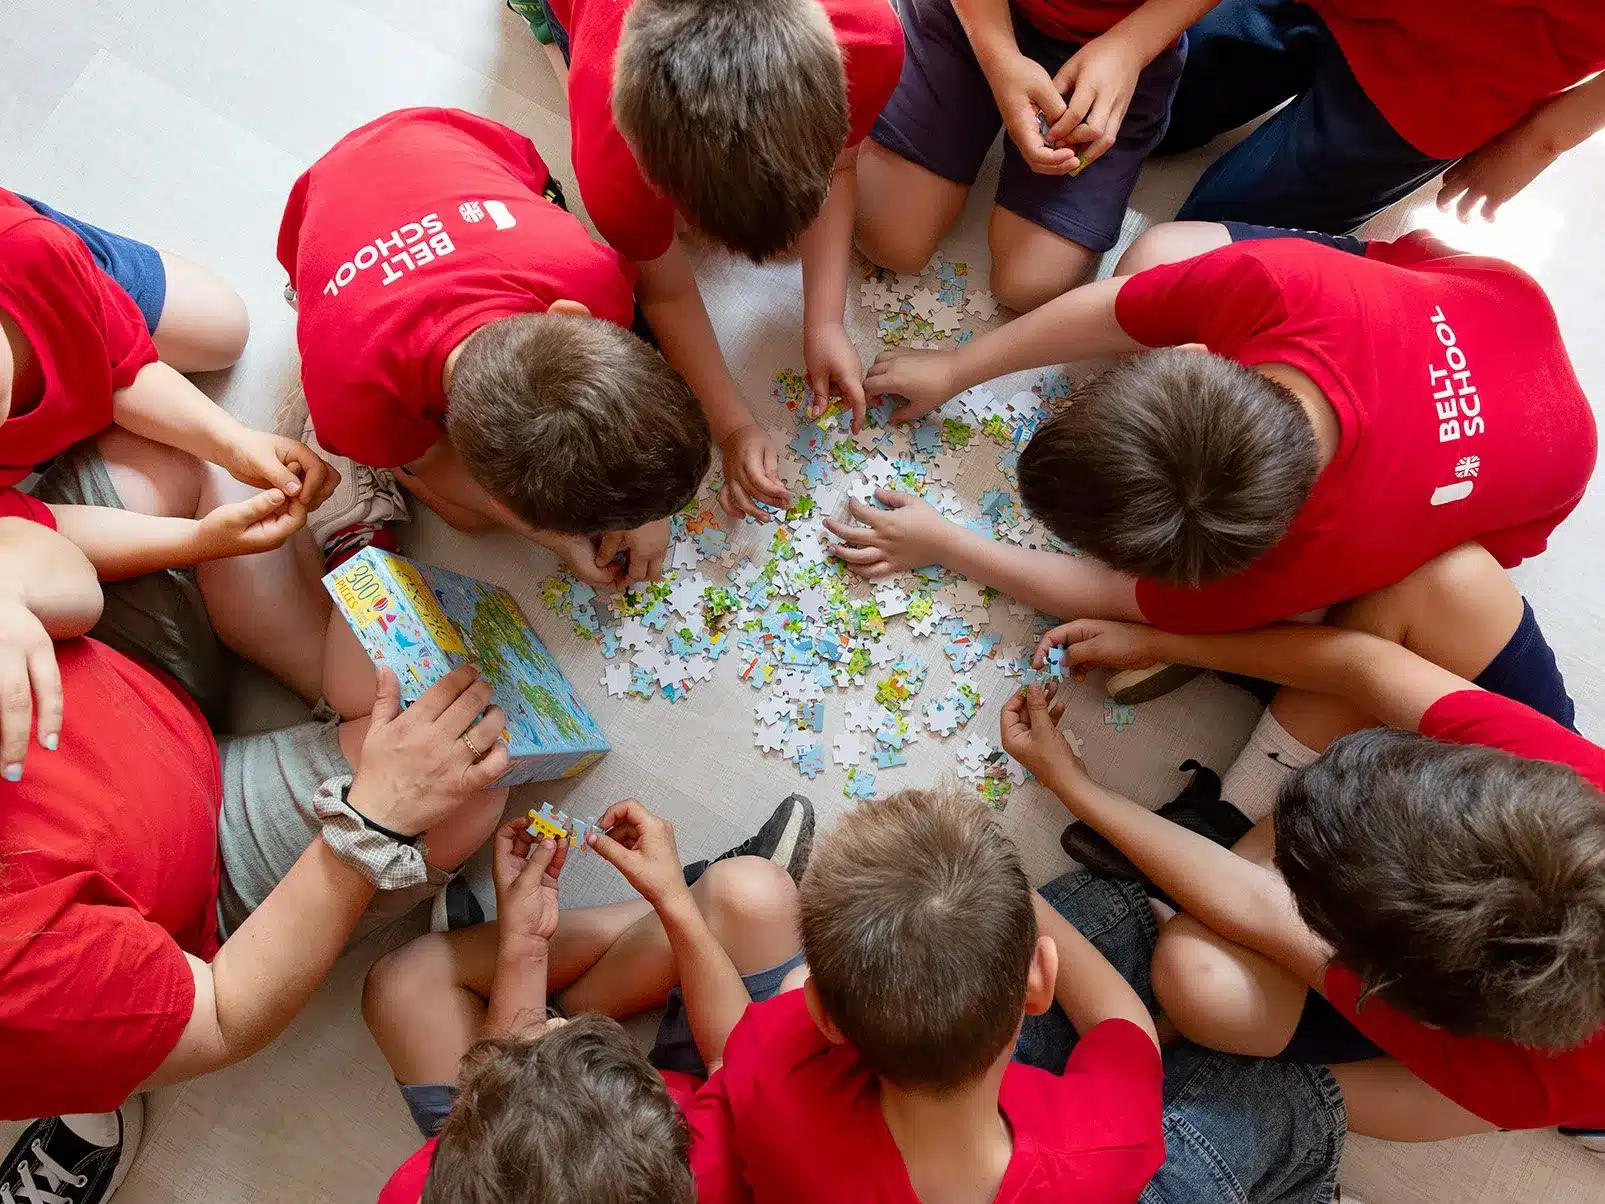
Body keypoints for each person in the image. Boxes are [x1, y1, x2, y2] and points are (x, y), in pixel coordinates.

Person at [0, 494, 523, 1204]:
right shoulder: (21, 988)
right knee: (474, 772)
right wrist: (369, 823)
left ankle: (338, 685)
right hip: (198, 878)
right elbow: (225, 1016)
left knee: (227, 480)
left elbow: (42, 539)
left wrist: (11, 585)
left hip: (122, 676)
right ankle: (101, 1060)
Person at [828, 220, 1596, 702]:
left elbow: (1117, 595)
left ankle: (1217, 648)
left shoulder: (1306, 553)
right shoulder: (1279, 283)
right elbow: (1116, 308)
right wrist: (956, 367)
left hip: (1536, 476)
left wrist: (947, 545)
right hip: (1484, 297)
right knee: (1155, 255)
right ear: (1191, 359)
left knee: (1363, 615)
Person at [1002, 542, 1605, 1143]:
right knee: (1447, 579)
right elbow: (1363, 666)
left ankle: (1233, 822)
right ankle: (1242, 813)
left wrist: (1075, 787)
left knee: (1200, 984)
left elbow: (1258, 906)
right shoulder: (1573, 780)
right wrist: (1167, 641)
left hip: (1504, 1059)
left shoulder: (1498, 1067)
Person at [277, 107, 713, 587]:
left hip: (443, 135)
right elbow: (432, 462)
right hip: (316, 210)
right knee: (468, 518)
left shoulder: (587, 272)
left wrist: (645, 510)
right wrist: (555, 538)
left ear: (572, 313)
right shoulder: (351, 405)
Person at [702, 787, 1169, 1201]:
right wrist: (1017, 894)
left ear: (824, 1017)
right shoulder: (1101, 1149)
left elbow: (766, 1035)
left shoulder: (772, 1079)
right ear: (1041, 979)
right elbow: (1125, 1024)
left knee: (792, 981)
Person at [530, 0, 903, 515]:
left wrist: (825, 321)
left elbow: (839, 170)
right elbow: (665, 290)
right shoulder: (612, 166)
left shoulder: (871, 38)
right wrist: (732, 427)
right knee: (668, 233)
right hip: (591, 27)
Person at [369, 799, 809, 1202]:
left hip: (503, 1144)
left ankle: (673, 916)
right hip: (710, 1088)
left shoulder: (430, 1187)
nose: (548, 1032)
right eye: (553, 1032)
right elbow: (732, 1060)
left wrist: (524, 946)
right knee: (753, 896)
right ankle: (695, 898)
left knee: (400, 986)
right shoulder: (721, 1172)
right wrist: (673, 900)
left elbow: (497, 1096)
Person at [1, 187, 336, 594]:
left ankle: (90, 283)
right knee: (169, 468)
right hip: (41, 285)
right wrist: (198, 541)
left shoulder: (33, 251)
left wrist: (234, 442)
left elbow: (122, 365)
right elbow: (31, 534)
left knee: (222, 328)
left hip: (40, 268)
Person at [856, 0, 1207, 313]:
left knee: (1028, 284)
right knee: (889, 241)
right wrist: (998, 58)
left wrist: (1130, 47)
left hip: (1127, 38)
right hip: (974, 12)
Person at [1155, 1, 1605, 233]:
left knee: (1209, 244)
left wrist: (1542, 139)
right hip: (1322, 8)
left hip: (1449, 85)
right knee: (1154, 108)